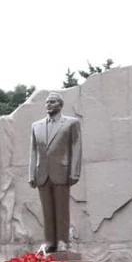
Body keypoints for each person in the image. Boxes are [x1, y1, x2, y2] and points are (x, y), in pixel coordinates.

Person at [28, 92, 83, 253]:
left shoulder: (71, 123)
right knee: (47, 210)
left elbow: (76, 147)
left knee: (62, 208)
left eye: (52, 102)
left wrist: (75, 172)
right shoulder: (36, 126)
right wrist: (31, 174)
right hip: (42, 174)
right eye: (46, 103)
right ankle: (49, 241)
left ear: (60, 105)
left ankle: (63, 241)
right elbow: (33, 151)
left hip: (62, 172)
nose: (48, 105)